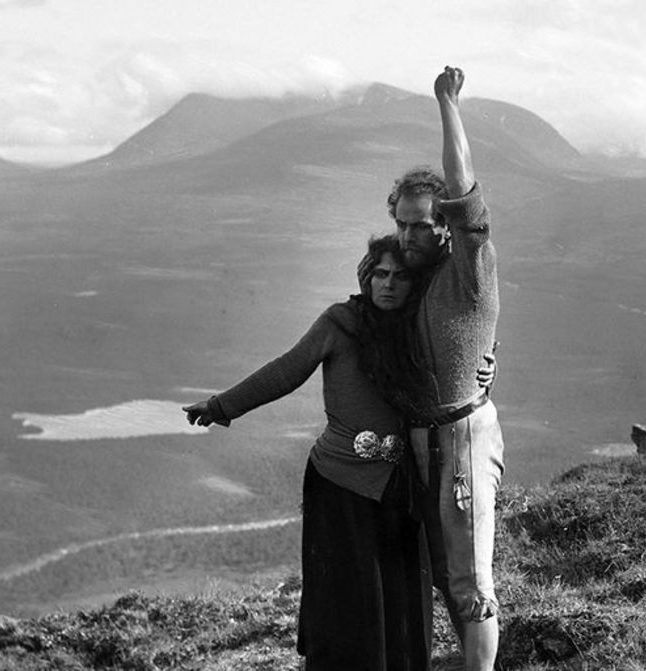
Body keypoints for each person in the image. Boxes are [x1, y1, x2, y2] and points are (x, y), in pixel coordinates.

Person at [182, 235, 495, 671]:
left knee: (400, 600)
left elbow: (461, 362)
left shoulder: (420, 328)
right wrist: (220, 406)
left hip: (400, 490)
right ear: (366, 276)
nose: (388, 285)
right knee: (348, 601)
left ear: (414, 284)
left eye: (400, 276)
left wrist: (485, 367)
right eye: (380, 274)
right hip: (339, 486)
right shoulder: (340, 322)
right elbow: (287, 370)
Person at [389, 66, 505, 671]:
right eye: (402, 222)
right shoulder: (410, 282)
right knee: (442, 580)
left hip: (461, 436)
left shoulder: (469, 265)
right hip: (421, 442)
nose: (410, 233)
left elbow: (463, 188)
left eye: (423, 223)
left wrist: (447, 104)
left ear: (446, 225)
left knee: (469, 582)